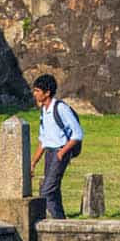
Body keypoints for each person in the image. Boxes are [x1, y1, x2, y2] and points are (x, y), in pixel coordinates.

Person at [30, 73, 84, 220]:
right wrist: (33, 162)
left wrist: (62, 152)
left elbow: (77, 134)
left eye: (37, 91)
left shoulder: (60, 108)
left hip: (60, 152)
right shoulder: (43, 111)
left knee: (47, 191)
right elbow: (43, 140)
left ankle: (58, 222)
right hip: (49, 153)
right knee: (54, 190)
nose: (34, 94)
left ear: (47, 93)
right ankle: (61, 221)